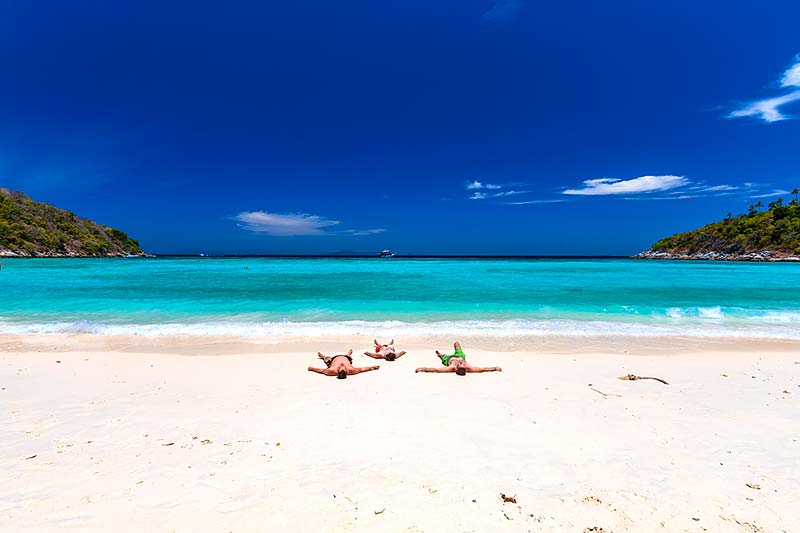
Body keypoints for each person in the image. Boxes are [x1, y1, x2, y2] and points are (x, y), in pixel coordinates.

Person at [415, 341, 501, 375]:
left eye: (461, 365)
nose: (461, 364)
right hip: (460, 355)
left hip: (448, 359)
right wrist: (494, 368)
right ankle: (441, 354)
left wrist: (422, 369)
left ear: (457, 369)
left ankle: (440, 354)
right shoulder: (468, 367)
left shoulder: (452, 368)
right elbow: (482, 369)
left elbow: (436, 370)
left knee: (442, 357)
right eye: (463, 365)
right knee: (456, 343)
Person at [308, 349, 380, 379]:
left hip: (333, 359)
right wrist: (372, 367)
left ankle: (322, 356)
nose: (342, 365)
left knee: (326, 358)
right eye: (343, 367)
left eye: (341, 367)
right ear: (346, 370)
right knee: (348, 357)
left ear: (337, 371)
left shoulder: (332, 371)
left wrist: (312, 369)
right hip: (346, 358)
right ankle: (348, 353)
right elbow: (362, 369)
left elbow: (321, 370)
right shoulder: (351, 370)